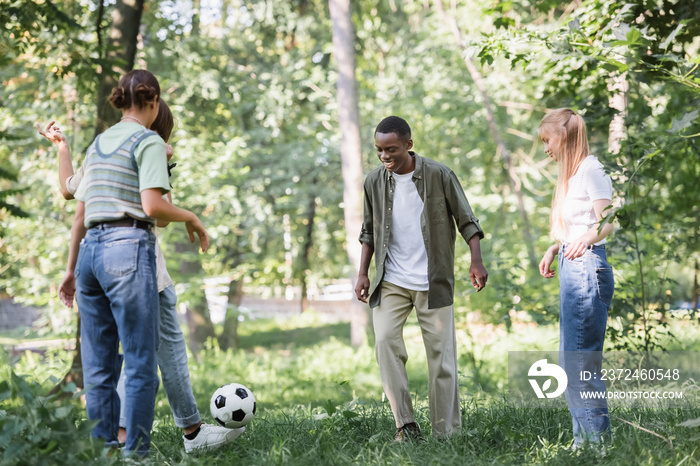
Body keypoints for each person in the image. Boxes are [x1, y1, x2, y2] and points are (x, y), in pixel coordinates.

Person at [38, 100, 244, 453]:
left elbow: (71, 190)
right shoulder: (146, 148)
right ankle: (185, 435)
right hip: (142, 268)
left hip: (97, 262)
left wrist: (63, 148)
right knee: (162, 353)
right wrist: (166, 166)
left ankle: (116, 439)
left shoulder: (102, 149)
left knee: (120, 354)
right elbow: (159, 215)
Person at [355, 116, 488, 441]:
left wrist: (476, 260)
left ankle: (446, 434)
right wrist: (362, 272)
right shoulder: (374, 181)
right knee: (385, 341)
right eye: (379, 150)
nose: (385, 156)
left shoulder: (438, 175)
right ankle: (406, 425)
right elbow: (369, 231)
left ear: (408, 145)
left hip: (433, 280)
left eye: (392, 150)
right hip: (392, 280)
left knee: (441, 360)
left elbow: (466, 219)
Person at [537, 108, 615, 448]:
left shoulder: (592, 169)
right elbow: (582, 222)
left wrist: (584, 239)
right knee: (572, 361)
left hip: (587, 268)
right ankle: (582, 442)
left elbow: (608, 221)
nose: (545, 149)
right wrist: (557, 247)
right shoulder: (575, 174)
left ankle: (599, 444)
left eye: (547, 140)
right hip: (574, 265)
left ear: (564, 137)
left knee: (579, 363)